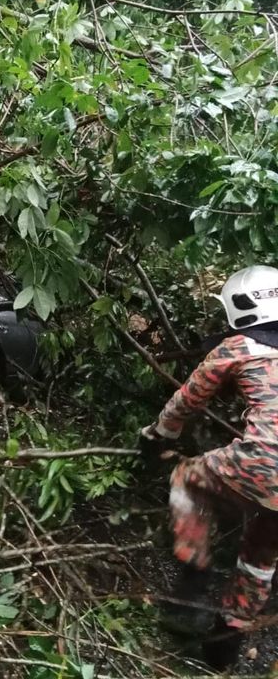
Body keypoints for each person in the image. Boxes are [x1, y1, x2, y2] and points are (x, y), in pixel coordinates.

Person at [140, 265, 278, 670]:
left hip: (266, 461)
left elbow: (187, 400)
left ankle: (192, 579)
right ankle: (225, 640)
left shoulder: (239, 347)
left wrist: (156, 436)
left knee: (187, 477)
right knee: (262, 552)